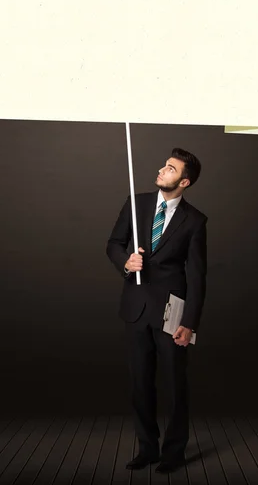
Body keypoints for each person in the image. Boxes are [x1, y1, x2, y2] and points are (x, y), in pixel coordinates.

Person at [106, 147, 207, 474]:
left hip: (172, 311)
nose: (162, 170)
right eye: (164, 165)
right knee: (140, 384)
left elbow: (197, 276)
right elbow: (113, 244)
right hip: (135, 307)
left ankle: (173, 453)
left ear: (185, 181)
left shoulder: (195, 221)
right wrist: (125, 261)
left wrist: (190, 323)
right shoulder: (137, 203)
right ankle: (147, 449)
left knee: (175, 384)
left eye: (171, 168)